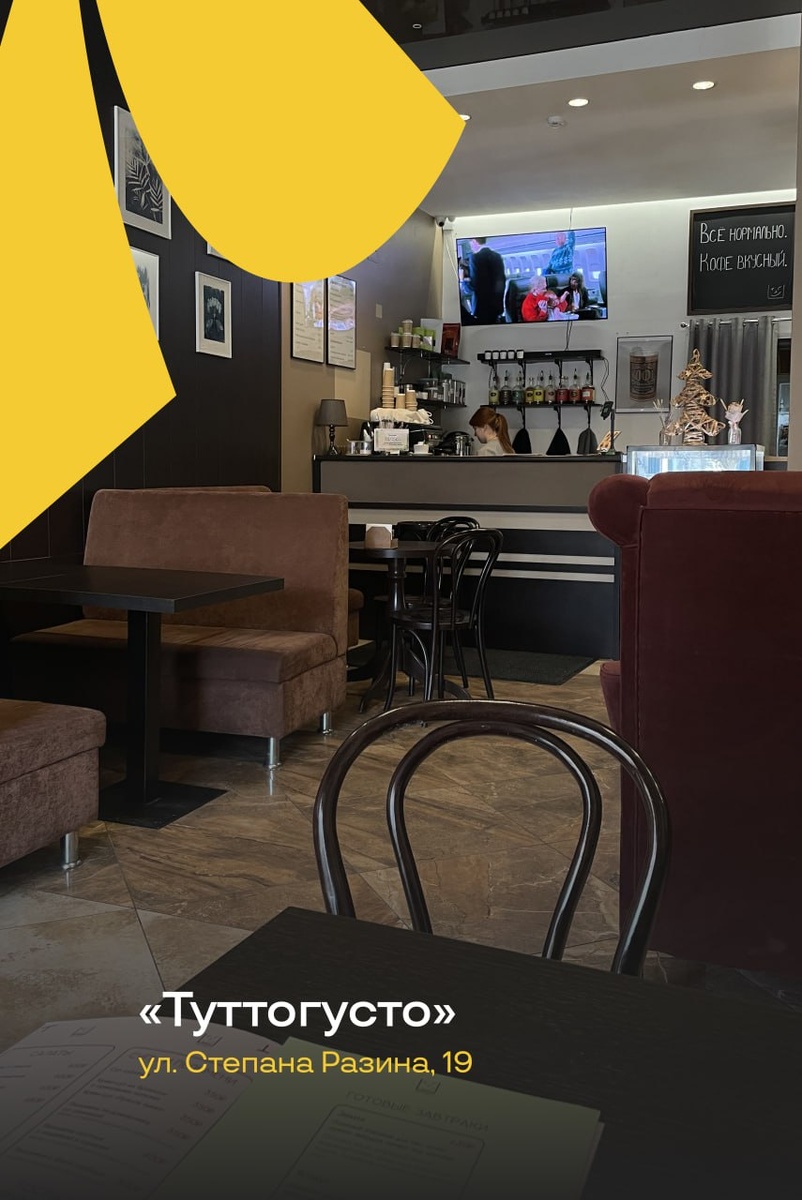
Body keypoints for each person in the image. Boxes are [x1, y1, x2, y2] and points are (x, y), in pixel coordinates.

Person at [466, 237, 506, 325]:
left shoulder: (475, 257)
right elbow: (501, 281)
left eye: (471, 244)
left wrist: (463, 281)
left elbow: (474, 285)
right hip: (496, 306)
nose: (471, 247)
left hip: (482, 308)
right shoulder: (497, 256)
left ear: (474, 241)